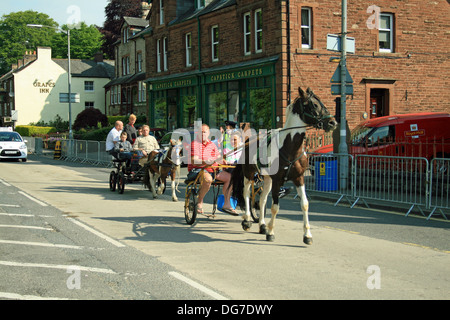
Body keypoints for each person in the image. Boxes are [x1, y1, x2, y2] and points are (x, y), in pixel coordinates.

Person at [188, 124, 236, 215]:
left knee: (230, 178)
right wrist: (206, 161)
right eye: (201, 132)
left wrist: (224, 162)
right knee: (208, 179)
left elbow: (218, 158)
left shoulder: (212, 145)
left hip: (213, 170)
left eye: (204, 132)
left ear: (208, 133)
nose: (203, 134)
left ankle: (226, 203)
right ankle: (200, 202)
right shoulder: (195, 144)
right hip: (200, 170)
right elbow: (194, 160)